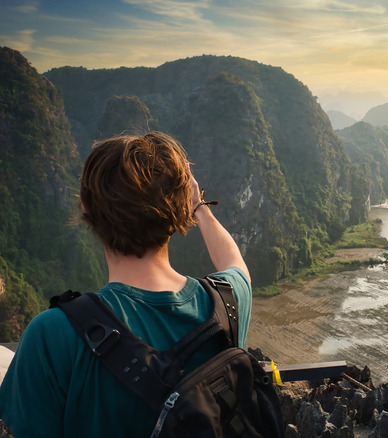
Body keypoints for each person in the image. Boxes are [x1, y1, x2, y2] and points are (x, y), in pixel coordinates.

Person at [0, 132, 252, 437]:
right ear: (179, 211)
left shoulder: (52, 335)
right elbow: (236, 265)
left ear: (85, 209)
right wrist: (199, 207)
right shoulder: (228, 303)